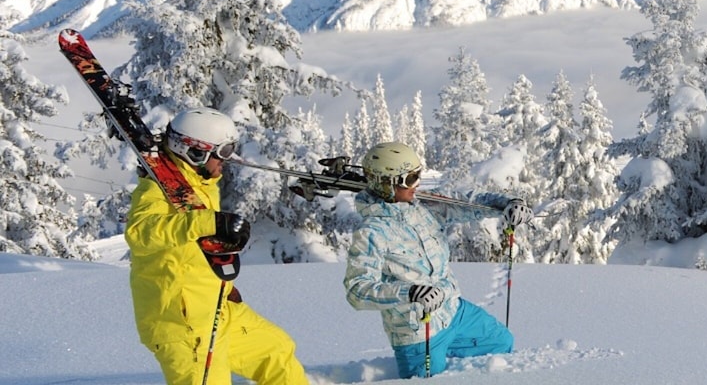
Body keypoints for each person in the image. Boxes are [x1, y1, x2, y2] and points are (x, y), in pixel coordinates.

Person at [126, 108, 308, 385]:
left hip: (217, 308)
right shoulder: (155, 190)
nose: (227, 160)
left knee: (276, 351)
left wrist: (223, 287)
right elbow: (140, 234)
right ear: (195, 152)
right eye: (222, 152)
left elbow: (191, 250)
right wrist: (208, 222)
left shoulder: (198, 183)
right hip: (183, 323)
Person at [343, 141, 530, 378]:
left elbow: (466, 202)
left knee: (500, 342)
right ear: (387, 184)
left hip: (454, 311)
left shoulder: (422, 207)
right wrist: (410, 293)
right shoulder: (372, 233)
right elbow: (358, 291)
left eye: (418, 174)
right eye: (410, 178)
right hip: (418, 331)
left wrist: (508, 204)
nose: (417, 183)